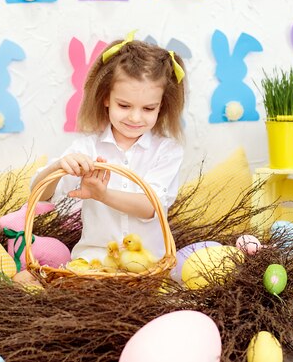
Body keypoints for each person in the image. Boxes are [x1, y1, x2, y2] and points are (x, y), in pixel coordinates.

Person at [31, 31, 187, 267]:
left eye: (148, 108)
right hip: (94, 260)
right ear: (106, 98)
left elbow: (150, 206)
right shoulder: (86, 147)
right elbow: (38, 194)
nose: (135, 117)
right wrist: (59, 166)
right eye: (124, 105)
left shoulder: (166, 151)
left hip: (149, 263)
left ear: (161, 106)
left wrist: (101, 195)